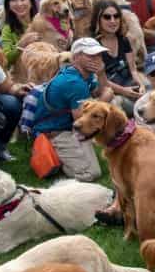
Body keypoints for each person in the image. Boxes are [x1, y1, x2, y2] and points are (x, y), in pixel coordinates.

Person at [29, 37, 113, 182]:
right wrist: (105, 99)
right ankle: (57, 156)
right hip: (56, 133)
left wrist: (101, 74)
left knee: (112, 103)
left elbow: (100, 89)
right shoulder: (74, 83)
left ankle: (74, 153)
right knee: (91, 173)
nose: (97, 59)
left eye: (98, 54)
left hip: (68, 128)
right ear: (76, 58)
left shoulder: (79, 73)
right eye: (90, 55)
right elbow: (81, 120)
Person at [90, 1, 144, 109]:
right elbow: (99, 80)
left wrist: (140, 84)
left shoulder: (124, 40)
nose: (113, 21)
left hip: (128, 83)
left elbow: (133, 69)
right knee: (117, 104)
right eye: (107, 17)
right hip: (109, 91)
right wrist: (125, 91)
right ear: (98, 19)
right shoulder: (93, 46)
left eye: (116, 16)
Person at [0, 0, 38, 66]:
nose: (19, 4)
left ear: (31, 2)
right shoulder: (8, 29)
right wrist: (21, 44)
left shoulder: (42, 22)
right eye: (14, 0)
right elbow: (6, 58)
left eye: (23, 0)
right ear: (8, 5)